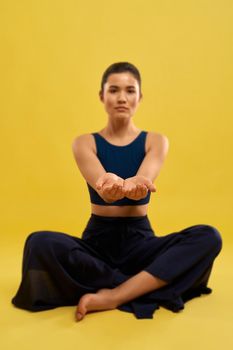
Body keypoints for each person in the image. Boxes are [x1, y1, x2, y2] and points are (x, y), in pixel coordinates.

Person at [12, 62, 222, 321]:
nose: (122, 98)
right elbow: (102, 183)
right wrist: (109, 186)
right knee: (39, 242)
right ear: (101, 96)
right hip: (97, 245)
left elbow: (146, 176)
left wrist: (137, 183)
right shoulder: (84, 142)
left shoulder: (156, 141)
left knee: (208, 236)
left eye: (130, 90)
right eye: (113, 90)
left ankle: (114, 295)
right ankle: (145, 284)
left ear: (140, 97)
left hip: (141, 243)